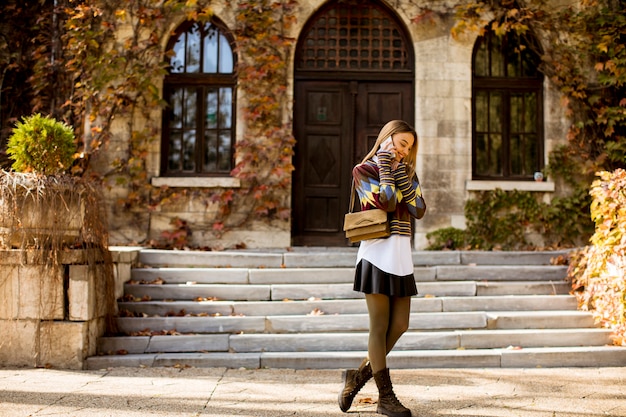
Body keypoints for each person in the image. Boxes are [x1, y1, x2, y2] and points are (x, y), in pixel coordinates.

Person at [338, 120, 426, 417]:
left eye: (409, 147)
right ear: (386, 139)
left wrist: (399, 172)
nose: (404, 151)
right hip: (376, 254)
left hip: (401, 255)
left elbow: (419, 209)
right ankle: (385, 399)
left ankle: (357, 376)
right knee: (379, 326)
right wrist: (388, 169)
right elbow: (385, 203)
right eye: (401, 143)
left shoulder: (406, 173)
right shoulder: (363, 171)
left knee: (400, 325)